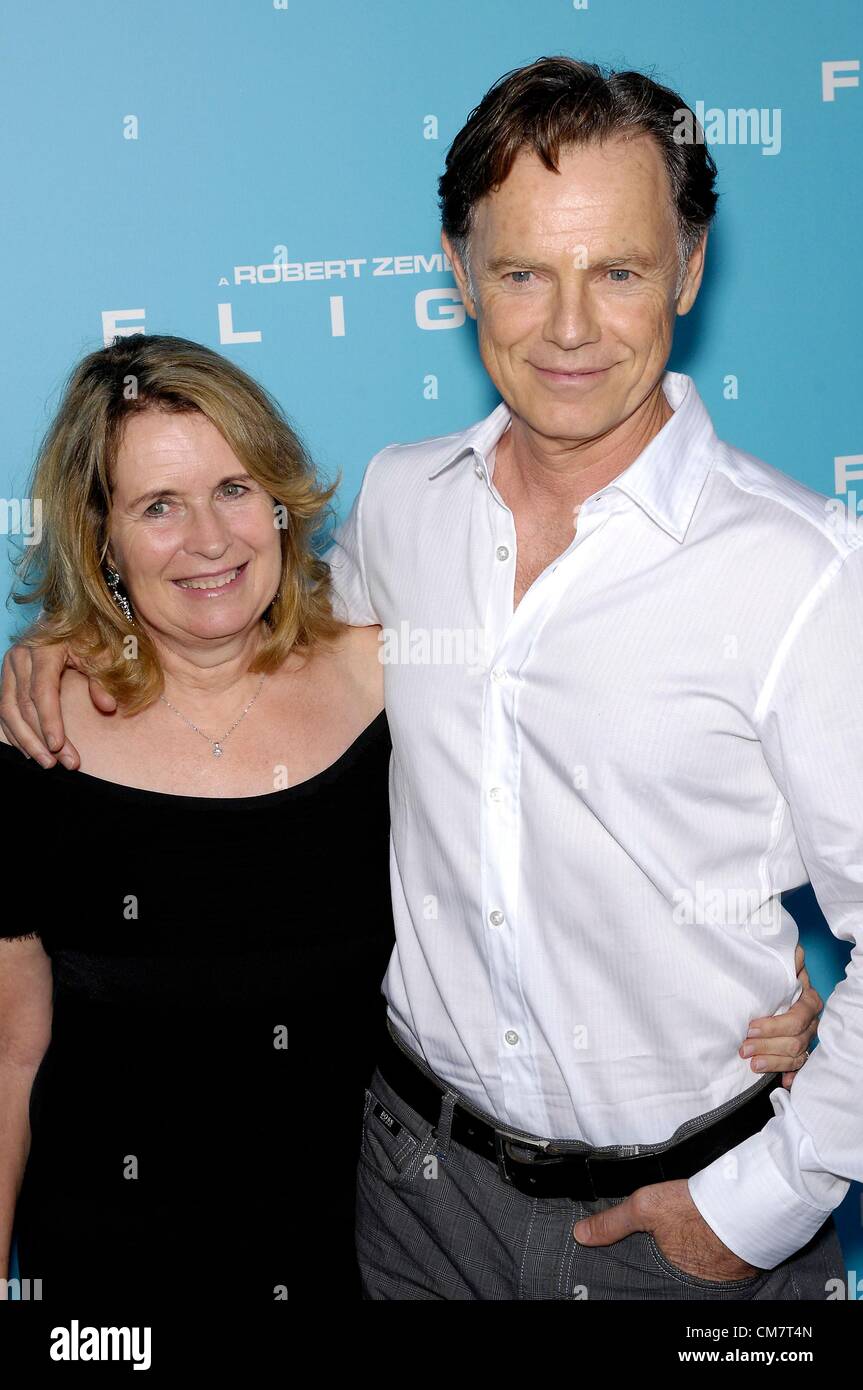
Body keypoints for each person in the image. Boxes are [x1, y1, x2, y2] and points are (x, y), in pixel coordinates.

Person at [0, 65, 832, 1299]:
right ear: (457, 273)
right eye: (520, 272)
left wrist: (767, 1181)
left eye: (616, 269)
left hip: (684, 1214)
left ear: (689, 271)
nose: (566, 326)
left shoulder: (804, 570)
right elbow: (235, 616)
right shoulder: (404, 505)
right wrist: (68, 638)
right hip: (411, 1212)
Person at [0, 332, 393, 1303]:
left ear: (279, 499)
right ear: (102, 538)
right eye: (158, 506)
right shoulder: (34, 743)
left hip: (365, 1256)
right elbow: (9, 1050)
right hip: (109, 1272)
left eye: (232, 488)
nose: (210, 540)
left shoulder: (395, 682)